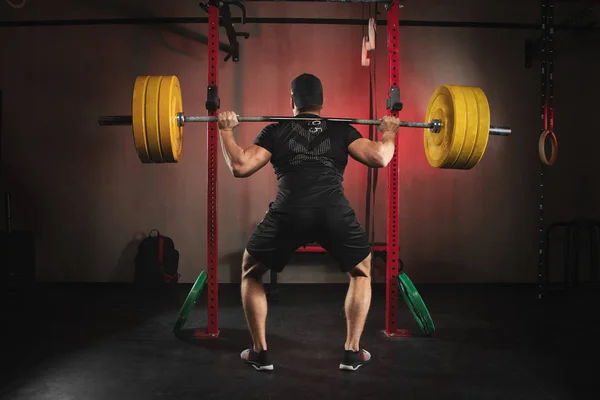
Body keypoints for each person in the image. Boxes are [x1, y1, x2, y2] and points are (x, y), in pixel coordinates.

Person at [217, 73, 401, 372]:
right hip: (333, 211)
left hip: (289, 212)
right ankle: (352, 353)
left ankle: (260, 353)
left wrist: (226, 130)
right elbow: (380, 157)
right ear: (322, 102)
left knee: (252, 271)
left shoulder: (276, 130)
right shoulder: (341, 130)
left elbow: (241, 165)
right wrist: (389, 131)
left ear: (292, 102)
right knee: (361, 271)